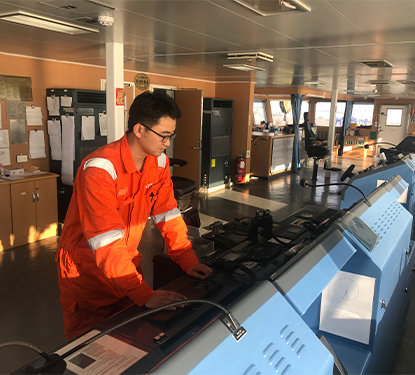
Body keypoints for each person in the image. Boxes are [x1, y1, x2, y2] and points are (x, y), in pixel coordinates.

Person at [56, 91, 212, 339]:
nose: (168, 143)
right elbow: (105, 242)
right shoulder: (100, 170)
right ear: (139, 129)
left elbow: (168, 216)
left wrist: (188, 261)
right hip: (88, 273)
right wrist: (144, 295)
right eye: (164, 135)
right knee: (91, 348)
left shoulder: (158, 163)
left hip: (126, 267)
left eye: (172, 135)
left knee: (129, 340)